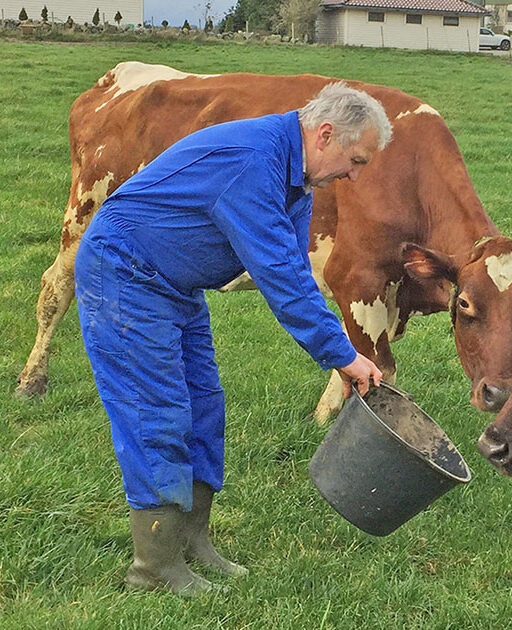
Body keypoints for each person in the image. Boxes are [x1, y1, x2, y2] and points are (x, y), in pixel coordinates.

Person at [74, 82, 392, 595]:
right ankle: (153, 569)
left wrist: (339, 347)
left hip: (175, 284)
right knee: (157, 411)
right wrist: (342, 356)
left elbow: (292, 270)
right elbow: (281, 279)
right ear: (326, 134)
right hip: (126, 273)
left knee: (204, 407)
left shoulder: (297, 179)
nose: (354, 175)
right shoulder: (253, 161)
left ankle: (191, 541)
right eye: (355, 160)